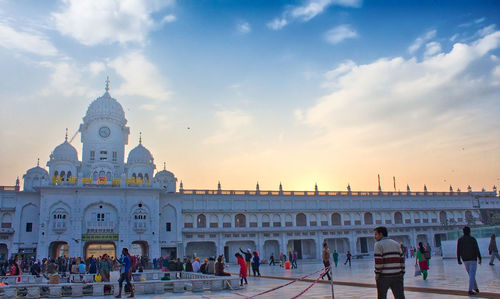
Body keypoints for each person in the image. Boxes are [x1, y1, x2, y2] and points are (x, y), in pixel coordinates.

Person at [373, 226, 405, 299]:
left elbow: (379, 262)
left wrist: (377, 273)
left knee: (382, 296)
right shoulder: (396, 243)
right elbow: (402, 260)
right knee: (400, 296)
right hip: (397, 274)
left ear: (381, 234)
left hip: (384, 276)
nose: (375, 237)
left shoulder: (378, 244)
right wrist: (402, 272)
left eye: (376, 234)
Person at [457, 226, 481, 296]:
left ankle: (475, 288)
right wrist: (480, 258)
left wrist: (458, 259)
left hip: (465, 259)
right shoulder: (472, 239)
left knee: (471, 274)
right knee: (472, 274)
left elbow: (458, 250)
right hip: (473, 258)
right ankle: (470, 290)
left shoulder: (460, 239)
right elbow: (476, 249)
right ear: (469, 231)